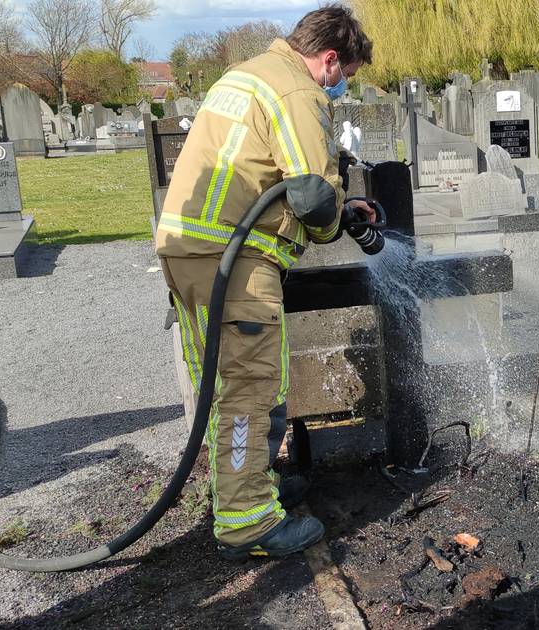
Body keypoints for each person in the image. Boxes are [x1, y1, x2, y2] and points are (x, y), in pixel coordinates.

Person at [155, 5, 376, 561]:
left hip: (192, 249)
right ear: (328, 59)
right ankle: (246, 521)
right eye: (343, 72)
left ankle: (245, 488)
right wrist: (334, 220)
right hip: (233, 257)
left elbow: (274, 177)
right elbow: (309, 192)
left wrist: (338, 207)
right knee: (251, 387)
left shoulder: (250, 73)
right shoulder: (299, 92)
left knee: (226, 383)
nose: (340, 84)